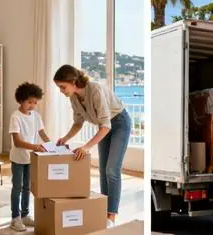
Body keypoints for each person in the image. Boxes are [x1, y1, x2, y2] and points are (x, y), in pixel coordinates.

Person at [53, 65, 131, 227]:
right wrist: (65, 138)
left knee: (112, 170)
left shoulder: (94, 90)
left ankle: (111, 218)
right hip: (105, 127)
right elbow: (78, 123)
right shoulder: (73, 97)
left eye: (62, 86)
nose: (61, 91)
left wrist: (86, 147)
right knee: (103, 171)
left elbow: (106, 125)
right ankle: (103, 211)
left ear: (73, 82)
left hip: (119, 124)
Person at [8, 82, 51, 232]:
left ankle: (25, 215)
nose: (32, 105)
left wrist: (52, 145)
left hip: (31, 158)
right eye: (29, 102)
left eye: (35, 102)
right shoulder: (16, 117)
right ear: (20, 100)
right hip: (18, 158)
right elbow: (17, 142)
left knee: (27, 187)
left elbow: (42, 134)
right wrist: (35, 147)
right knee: (17, 187)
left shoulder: (36, 116)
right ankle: (15, 218)